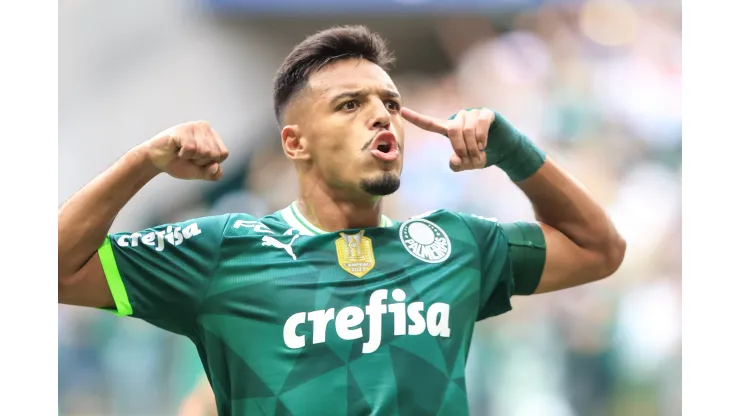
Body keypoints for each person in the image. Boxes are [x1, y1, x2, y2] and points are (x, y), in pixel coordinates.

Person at [58, 25, 626, 416]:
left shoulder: (455, 244)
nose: (382, 115)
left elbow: (599, 249)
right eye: (350, 104)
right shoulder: (223, 249)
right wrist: (143, 163)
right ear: (294, 143)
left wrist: (513, 150)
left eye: (390, 103)